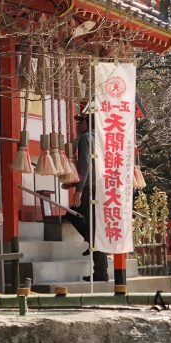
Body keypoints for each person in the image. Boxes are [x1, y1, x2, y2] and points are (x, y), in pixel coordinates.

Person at [66, 114, 108, 282]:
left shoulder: (86, 138)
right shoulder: (101, 138)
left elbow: (84, 165)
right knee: (80, 219)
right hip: (100, 187)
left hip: (89, 189)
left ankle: (100, 271)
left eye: (80, 121)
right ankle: (92, 245)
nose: (77, 125)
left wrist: (78, 190)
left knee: (91, 229)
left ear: (86, 122)